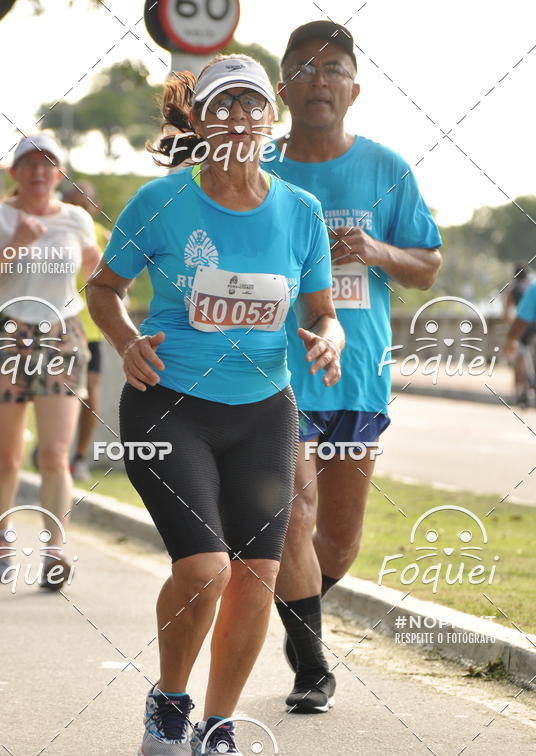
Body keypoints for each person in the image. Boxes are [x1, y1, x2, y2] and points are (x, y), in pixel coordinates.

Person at [87, 55, 344, 756]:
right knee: (204, 568)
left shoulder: (301, 211)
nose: (238, 119)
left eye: (251, 106)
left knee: (256, 575)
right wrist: (127, 340)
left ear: (272, 120)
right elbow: (103, 289)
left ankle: (220, 727)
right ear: (197, 121)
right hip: (168, 406)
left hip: (264, 409)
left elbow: (323, 310)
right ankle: (171, 702)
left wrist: (328, 337)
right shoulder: (160, 202)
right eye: (222, 106)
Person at [262, 21, 442, 713]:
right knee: (294, 513)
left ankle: (292, 608)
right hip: (276, 369)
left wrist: (371, 248)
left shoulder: (385, 169)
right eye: (304, 69)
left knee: (339, 536)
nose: (319, 80)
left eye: (333, 68)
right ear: (284, 88)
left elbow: (427, 266)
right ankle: (312, 665)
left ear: (354, 88)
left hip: (358, 371)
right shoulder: (261, 169)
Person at [0, 134, 100, 588]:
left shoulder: (77, 219)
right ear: (14, 172)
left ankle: (54, 548)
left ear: (60, 173)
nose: (39, 172)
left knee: (56, 452)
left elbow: (98, 277)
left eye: (48, 164)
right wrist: (18, 241)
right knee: (7, 455)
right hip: (7, 331)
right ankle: (2, 534)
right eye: (29, 164)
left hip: (61, 334)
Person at [62, 180, 110, 480]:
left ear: (95, 207)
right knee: (60, 394)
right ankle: (51, 449)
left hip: (90, 328)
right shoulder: (57, 231)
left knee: (90, 396)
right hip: (60, 326)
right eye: (73, 200)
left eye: (86, 201)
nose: (80, 206)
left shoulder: (103, 237)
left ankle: (78, 457)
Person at [503, 264, 534, 407]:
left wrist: (510, 338)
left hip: (521, 326)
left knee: (519, 358)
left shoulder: (513, 290)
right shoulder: (529, 286)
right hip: (533, 326)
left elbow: (508, 313)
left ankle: (521, 389)